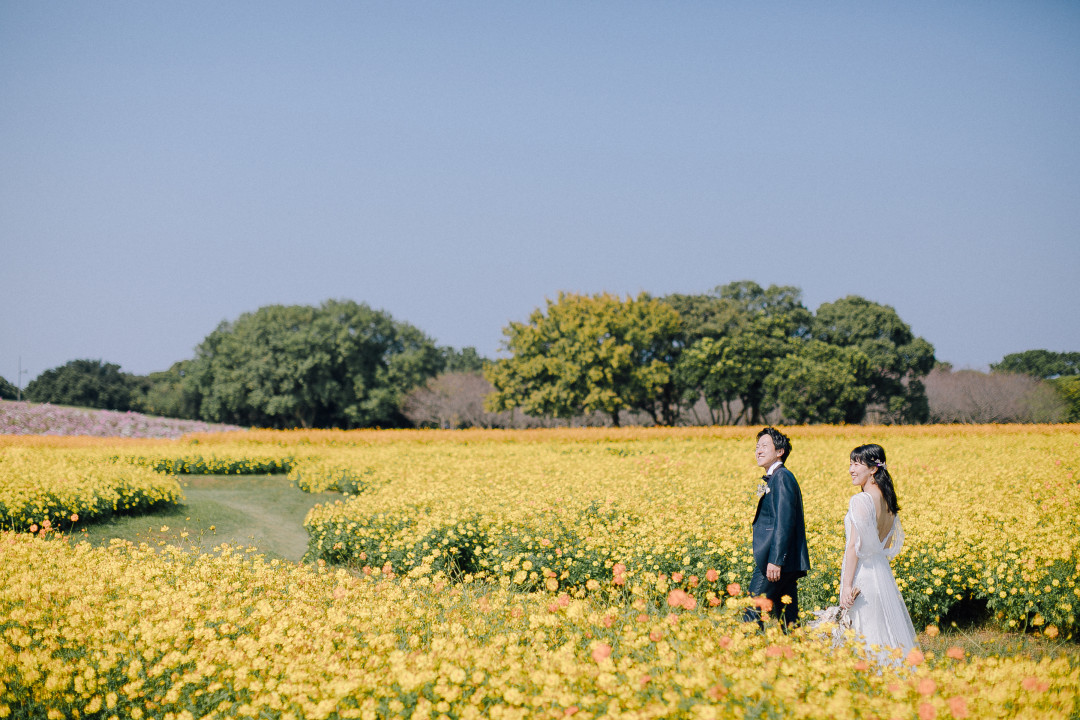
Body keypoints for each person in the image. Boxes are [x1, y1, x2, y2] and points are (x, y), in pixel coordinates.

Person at [839, 444, 918, 662]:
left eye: (856, 464)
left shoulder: (861, 500)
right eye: (850, 463)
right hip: (881, 574)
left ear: (873, 469)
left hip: (862, 576)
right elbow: (886, 546)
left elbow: (854, 546)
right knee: (884, 633)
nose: (851, 469)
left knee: (865, 634)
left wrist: (846, 586)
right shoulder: (889, 501)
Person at [744, 427, 810, 628]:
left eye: (764, 446)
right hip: (783, 561)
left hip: (774, 562)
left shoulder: (781, 477)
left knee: (752, 612)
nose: (758, 451)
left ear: (780, 451)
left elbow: (784, 521)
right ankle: (795, 654)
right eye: (757, 447)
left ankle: (747, 652)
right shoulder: (778, 477)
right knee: (788, 618)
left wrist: (775, 560)